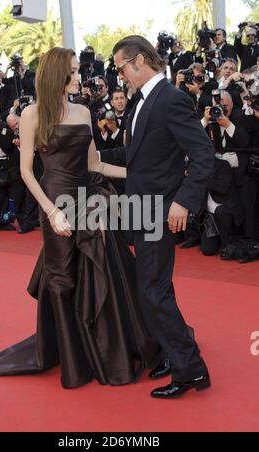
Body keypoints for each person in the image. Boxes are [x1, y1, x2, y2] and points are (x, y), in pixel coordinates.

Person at [0, 47, 160, 389]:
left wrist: (137, 174)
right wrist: (51, 213)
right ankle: (73, 355)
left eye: (78, 70)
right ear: (57, 75)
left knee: (101, 271)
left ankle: (105, 348)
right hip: (54, 201)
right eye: (73, 71)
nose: (79, 76)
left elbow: (94, 164)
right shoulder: (33, 114)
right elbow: (26, 172)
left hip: (86, 199)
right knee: (63, 277)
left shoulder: (83, 111)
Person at [113, 35, 214, 399]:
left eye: (120, 66)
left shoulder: (170, 98)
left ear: (139, 60)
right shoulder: (141, 103)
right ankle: (175, 351)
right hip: (141, 210)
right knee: (158, 287)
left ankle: (191, 370)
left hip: (159, 212)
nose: (119, 74)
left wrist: (184, 201)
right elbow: (138, 158)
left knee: (152, 292)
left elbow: (203, 155)